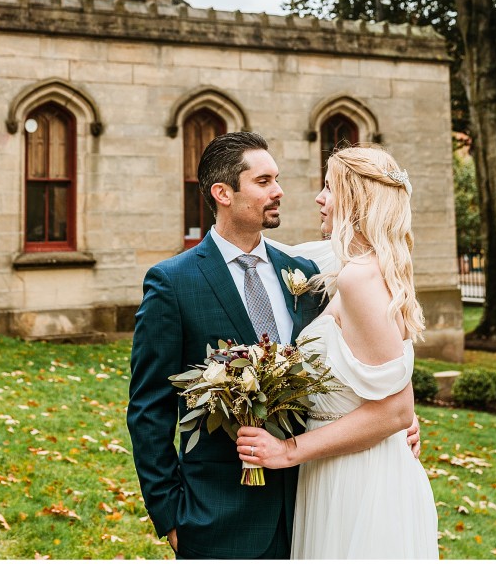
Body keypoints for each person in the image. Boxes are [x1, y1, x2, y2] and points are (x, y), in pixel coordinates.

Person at [128, 132, 419, 560]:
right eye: (264, 181)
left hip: (312, 500)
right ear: (223, 193)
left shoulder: (305, 272)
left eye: (277, 179)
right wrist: (169, 515)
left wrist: (400, 420)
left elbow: (363, 349)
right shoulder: (172, 283)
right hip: (219, 516)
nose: (279, 191)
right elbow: (148, 409)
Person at [236, 145, 439, 559]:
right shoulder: (361, 261)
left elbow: (396, 410)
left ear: (355, 199)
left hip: (358, 478)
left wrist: (287, 451)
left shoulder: (359, 278)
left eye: (329, 188)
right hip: (343, 464)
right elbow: (272, 254)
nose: (319, 198)